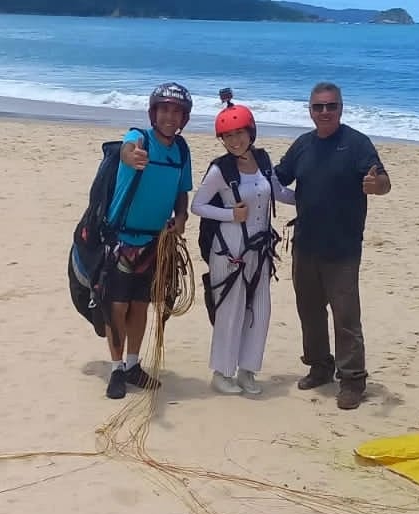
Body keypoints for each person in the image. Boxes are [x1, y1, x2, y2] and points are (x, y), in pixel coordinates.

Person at [274, 82, 391, 410]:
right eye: (318, 107)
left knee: (345, 317)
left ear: (341, 108)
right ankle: (320, 366)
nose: (325, 112)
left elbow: (383, 181)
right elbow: (277, 178)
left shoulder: (356, 144)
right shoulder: (302, 145)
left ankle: (353, 379)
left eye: (331, 106)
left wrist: (376, 185)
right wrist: (243, 164)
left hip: (343, 248)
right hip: (305, 244)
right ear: (310, 110)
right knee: (309, 311)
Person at [191, 93, 294, 395]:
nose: (235, 140)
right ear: (221, 139)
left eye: (240, 133)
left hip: (261, 249)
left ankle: (248, 370)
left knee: (260, 311)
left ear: (251, 132)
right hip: (229, 249)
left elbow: (278, 192)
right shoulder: (219, 170)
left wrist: (309, 199)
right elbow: (198, 205)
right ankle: (222, 373)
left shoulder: (262, 160)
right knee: (231, 311)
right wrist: (230, 214)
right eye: (228, 136)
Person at [103, 82, 193, 400]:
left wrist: (180, 217)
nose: (170, 116)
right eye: (164, 109)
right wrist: (132, 157)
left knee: (140, 306)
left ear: (184, 117)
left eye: (176, 111)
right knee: (117, 306)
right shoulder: (138, 138)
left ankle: (132, 365)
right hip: (121, 239)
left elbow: (182, 191)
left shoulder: (182, 151)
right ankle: (115, 369)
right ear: (153, 112)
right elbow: (128, 152)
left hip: (155, 243)